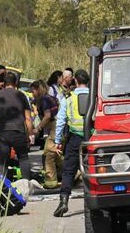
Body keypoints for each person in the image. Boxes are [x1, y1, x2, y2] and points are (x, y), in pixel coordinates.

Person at [52, 69, 90, 217]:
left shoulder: (68, 98)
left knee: (68, 171)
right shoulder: (95, 96)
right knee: (93, 170)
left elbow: (61, 121)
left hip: (74, 138)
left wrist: (58, 141)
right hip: (92, 138)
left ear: (75, 81)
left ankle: (63, 201)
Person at [31, 80, 62, 188]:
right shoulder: (49, 98)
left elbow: (47, 116)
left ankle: (51, 181)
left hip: (54, 127)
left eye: (33, 91)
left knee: (48, 153)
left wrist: (38, 128)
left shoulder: (43, 100)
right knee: (55, 153)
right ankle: (72, 173)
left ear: (38, 90)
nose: (32, 94)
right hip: (57, 126)